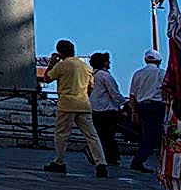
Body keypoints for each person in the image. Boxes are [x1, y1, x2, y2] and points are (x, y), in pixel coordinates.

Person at [43, 39, 107, 177]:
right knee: (92, 136)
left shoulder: (62, 65)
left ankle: (59, 162)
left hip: (67, 104)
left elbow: (47, 78)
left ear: (60, 52)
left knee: (62, 135)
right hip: (84, 104)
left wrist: (52, 62)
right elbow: (91, 87)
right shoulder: (86, 67)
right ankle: (101, 162)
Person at [128, 49, 167, 173]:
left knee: (146, 134)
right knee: (153, 136)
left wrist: (134, 111)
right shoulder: (162, 73)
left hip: (142, 107)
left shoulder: (137, 74)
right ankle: (138, 160)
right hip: (157, 107)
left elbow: (132, 94)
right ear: (159, 61)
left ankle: (140, 158)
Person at [88, 51, 125, 167]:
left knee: (100, 134)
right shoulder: (105, 76)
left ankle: (101, 155)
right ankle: (110, 157)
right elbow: (114, 92)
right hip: (107, 109)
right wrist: (124, 103)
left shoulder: (91, 75)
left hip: (94, 109)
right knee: (108, 135)